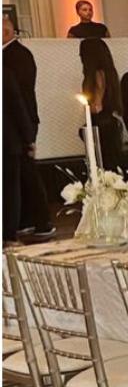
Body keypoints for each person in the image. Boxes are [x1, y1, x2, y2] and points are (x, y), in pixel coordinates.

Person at [3, 15, 53, 238]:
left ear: (9, 31)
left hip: (20, 121)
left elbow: (18, 94)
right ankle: (25, 219)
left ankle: (42, 220)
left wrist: (27, 133)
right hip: (14, 122)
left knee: (27, 171)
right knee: (20, 173)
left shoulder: (19, 55)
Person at [3, 65, 37, 244]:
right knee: (10, 190)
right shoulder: (5, 73)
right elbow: (18, 106)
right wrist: (29, 138)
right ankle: (9, 235)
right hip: (8, 141)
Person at [79, 38, 124, 172]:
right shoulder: (109, 73)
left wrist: (86, 105)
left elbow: (96, 106)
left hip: (101, 125)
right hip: (110, 124)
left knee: (102, 164)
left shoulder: (96, 75)